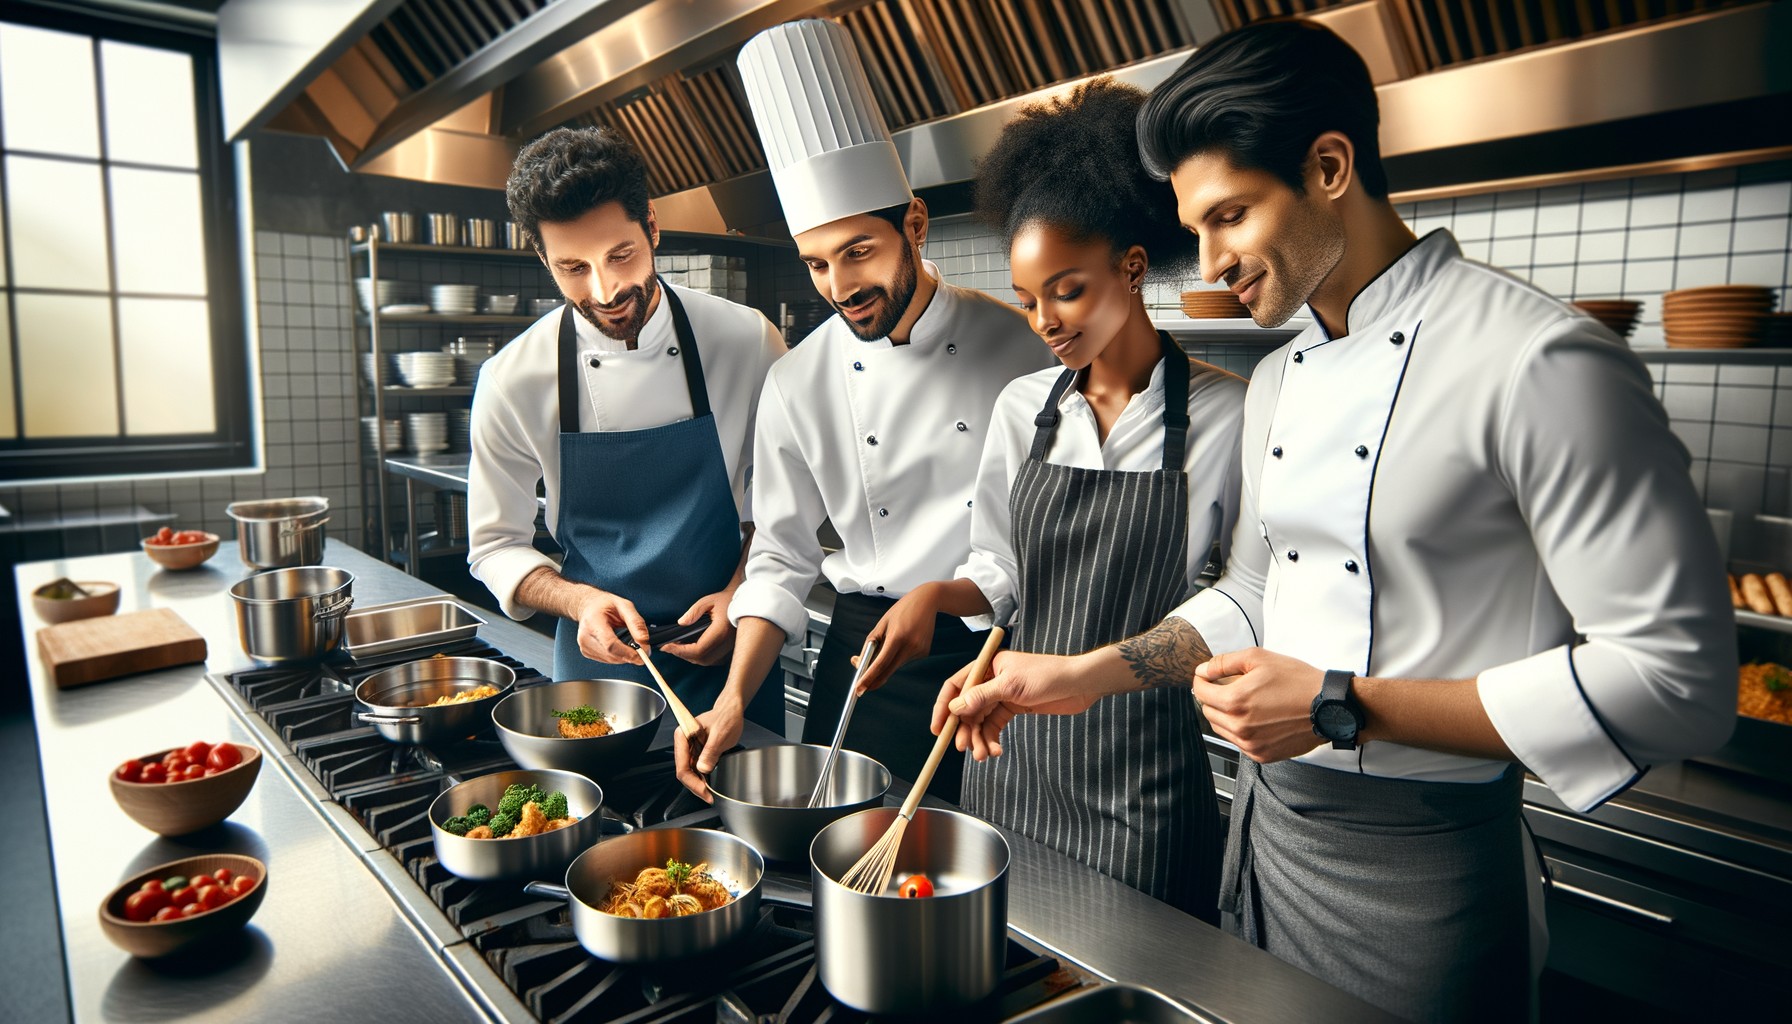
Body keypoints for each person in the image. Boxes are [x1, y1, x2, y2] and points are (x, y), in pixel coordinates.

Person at [936, 20, 1735, 1022]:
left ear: (1326, 166)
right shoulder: (1280, 378)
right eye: (1197, 226)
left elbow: (1679, 681)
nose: (1213, 259)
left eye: (1230, 214)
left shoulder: (1538, 363)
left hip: (1424, 868)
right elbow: (1257, 590)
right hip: (1267, 843)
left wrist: (1340, 703)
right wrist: (1082, 675)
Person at [856, 79, 1243, 920]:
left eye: (1065, 290)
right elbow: (1002, 571)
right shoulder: (1023, 411)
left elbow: (1239, 598)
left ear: (1132, 266)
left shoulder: (1229, 415)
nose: (1043, 321)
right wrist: (933, 594)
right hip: (1013, 756)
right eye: (1028, 299)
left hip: (1145, 779)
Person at [672, 18, 1055, 800]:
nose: (841, 286)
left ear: (913, 224)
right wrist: (736, 697)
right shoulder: (799, 382)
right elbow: (781, 558)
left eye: (859, 251)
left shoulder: (1025, 345)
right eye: (817, 263)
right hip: (867, 654)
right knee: (854, 862)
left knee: (1011, 880)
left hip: (1006, 655)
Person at [468, 126, 785, 731]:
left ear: (654, 228)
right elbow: (495, 546)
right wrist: (577, 600)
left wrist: (742, 590)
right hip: (598, 665)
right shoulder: (514, 378)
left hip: (736, 650)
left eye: (621, 256)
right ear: (543, 259)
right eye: (572, 268)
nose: (605, 290)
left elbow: (783, 510)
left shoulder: (747, 341)